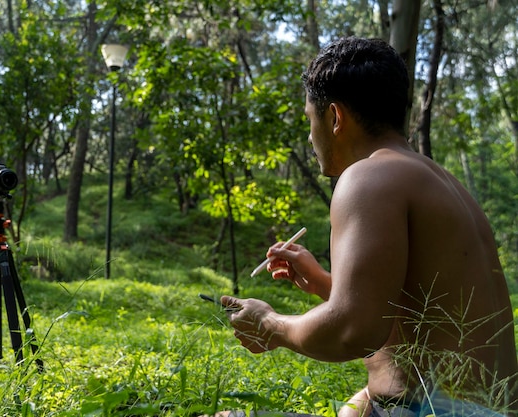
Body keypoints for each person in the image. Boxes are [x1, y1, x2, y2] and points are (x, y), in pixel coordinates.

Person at [214, 37, 518, 417]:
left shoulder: (367, 178)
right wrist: (326, 284)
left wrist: (269, 324)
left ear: (335, 118)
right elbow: (405, 316)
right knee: (355, 407)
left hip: (436, 411)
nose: (311, 137)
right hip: (483, 408)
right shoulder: (440, 180)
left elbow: (354, 331)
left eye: (311, 120)